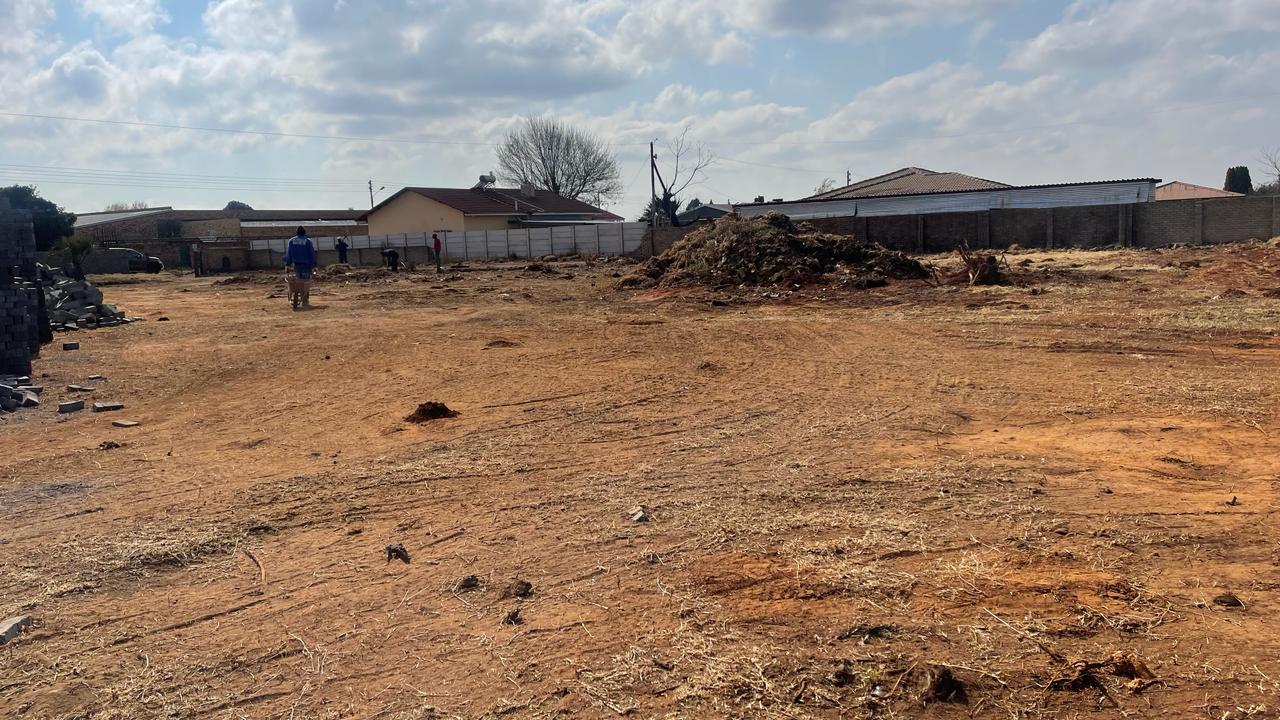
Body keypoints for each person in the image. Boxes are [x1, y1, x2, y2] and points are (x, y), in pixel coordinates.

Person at [283, 226, 317, 309]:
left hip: (297, 265)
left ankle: (298, 296)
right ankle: (305, 301)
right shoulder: (307, 241)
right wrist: (314, 265)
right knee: (305, 283)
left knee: (298, 281)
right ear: (304, 232)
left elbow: (289, 254)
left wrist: (287, 264)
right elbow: (311, 254)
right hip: (306, 265)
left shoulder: (291, 241)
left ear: (296, 232)